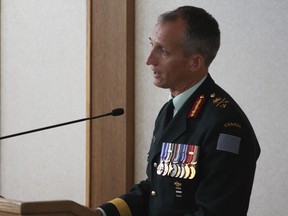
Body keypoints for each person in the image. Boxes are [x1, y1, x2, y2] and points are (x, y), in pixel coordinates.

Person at [94, 5, 260, 216]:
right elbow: (156, 190)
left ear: (195, 62)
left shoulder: (226, 126)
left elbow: (215, 212)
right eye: (151, 45)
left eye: (162, 51)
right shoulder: (170, 110)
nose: (149, 60)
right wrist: (102, 213)